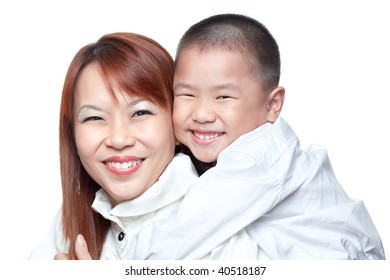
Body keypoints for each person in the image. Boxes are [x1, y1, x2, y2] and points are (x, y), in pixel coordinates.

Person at [118, 13, 385, 259]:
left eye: (223, 97)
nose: (201, 114)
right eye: (187, 94)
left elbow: (185, 231)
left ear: (272, 105)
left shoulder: (257, 156)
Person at [27, 32, 199, 259]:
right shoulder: (72, 219)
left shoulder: (216, 215)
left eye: (140, 113)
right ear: (73, 135)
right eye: (95, 118)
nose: (118, 140)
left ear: (177, 121)